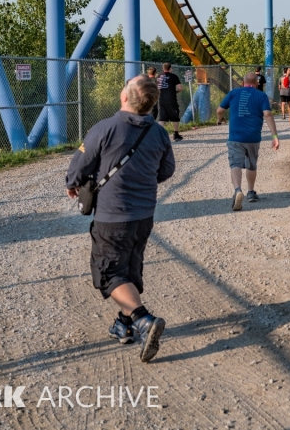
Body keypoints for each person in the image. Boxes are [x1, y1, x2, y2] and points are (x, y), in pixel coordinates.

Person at [66, 76, 175, 363]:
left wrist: (72, 183)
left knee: (109, 273)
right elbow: (166, 171)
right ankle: (123, 325)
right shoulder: (160, 133)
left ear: (125, 97)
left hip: (113, 216)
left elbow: (81, 164)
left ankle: (142, 319)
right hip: (144, 215)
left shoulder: (105, 128)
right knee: (130, 268)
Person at [216, 72, 280, 211]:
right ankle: (251, 192)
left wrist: (219, 119)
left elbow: (219, 110)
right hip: (253, 137)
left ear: (243, 82)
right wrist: (274, 136)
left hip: (235, 137)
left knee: (235, 164)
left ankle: (238, 190)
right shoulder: (261, 96)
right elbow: (267, 114)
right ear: (256, 83)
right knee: (251, 164)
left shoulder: (233, 93)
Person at [156, 62, 184, 141]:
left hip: (161, 100)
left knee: (161, 118)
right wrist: (176, 92)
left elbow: (156, 88)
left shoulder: (158, 76)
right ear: (170, 68)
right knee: (175, 117)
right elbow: (180, 88)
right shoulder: (173, 76)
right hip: (171, 100)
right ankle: (176, 134)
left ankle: (159, 136)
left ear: (163, 68)